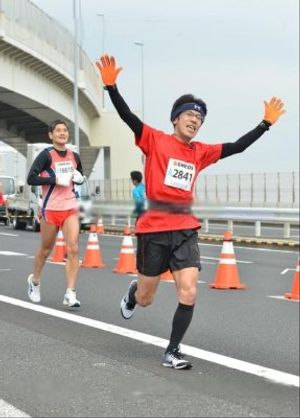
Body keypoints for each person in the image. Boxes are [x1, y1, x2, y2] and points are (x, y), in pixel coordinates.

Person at [96, 55, 285, 370]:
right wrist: (111, 87)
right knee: (146, 298)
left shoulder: (200, 152)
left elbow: (237, 146)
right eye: (189, 115)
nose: (195, 121)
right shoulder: (154, 140)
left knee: (189, 289)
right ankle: (133, 292)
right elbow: (127, 117)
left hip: (184, 229)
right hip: (153, 230)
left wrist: (264, 125)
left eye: (200, 119)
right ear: (175, 119)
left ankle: (172, 350)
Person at [27, 120, 84, 308]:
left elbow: (79, 177)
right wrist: (54, 179)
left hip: (70, 207)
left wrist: (80, 179)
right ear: (51, 135)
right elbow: (31, 178)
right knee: (45, 249)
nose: (62, 133)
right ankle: (34, 281)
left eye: (65, 130)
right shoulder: (46, 155)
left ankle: (71, 293)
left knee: (73, 248)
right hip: (50, 208)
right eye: (58, 130)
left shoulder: (74, 156)